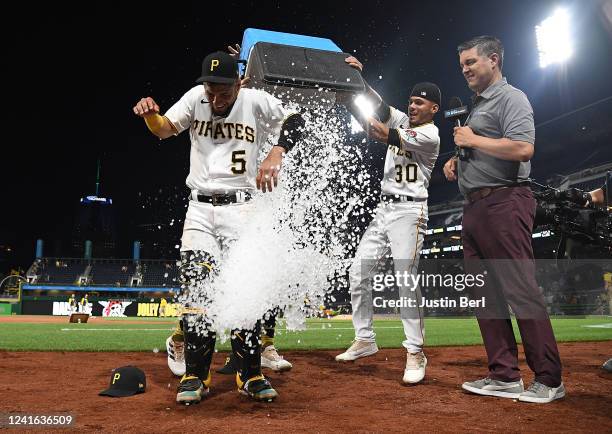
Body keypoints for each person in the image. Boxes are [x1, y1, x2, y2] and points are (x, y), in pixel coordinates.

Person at [133, 50, 303, 405]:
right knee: (197, 291)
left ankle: (250, 374)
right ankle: (196, 375)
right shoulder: (197, 98)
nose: (215, 97)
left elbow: (297, 118)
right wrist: (151, 116)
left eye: (223, 90)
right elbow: (165, 129)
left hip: (242, 209)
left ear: (239, 82)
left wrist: (277, 152)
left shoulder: (255, 100)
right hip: (199, 209)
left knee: (247, 291)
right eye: (210, 89)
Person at [442, 35, 564, 403]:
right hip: (476, 207)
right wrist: (457, 160)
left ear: (493, 60)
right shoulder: (479, 106)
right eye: (462, 64)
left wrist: (473, 142)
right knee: (485, 295)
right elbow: (482, 146)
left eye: (471, 63)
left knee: (520, 291)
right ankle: (504, 375)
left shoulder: (512, 98)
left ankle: (549, 379)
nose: (464, 70)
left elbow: (523, 148)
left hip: (505, 201)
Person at [334, 56, 441, 385]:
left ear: (434, 108)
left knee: (405, 280)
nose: (412, 106)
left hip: (411, 211)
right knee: (358, 271)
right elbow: (379, 108)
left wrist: (352, 98)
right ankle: (365, 339)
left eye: (419, 103)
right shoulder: (403, 121)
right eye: (410, 101)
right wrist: (357, 82)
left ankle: (415, 351)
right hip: (385, 209)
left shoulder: (431, 135)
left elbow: (380, 130)